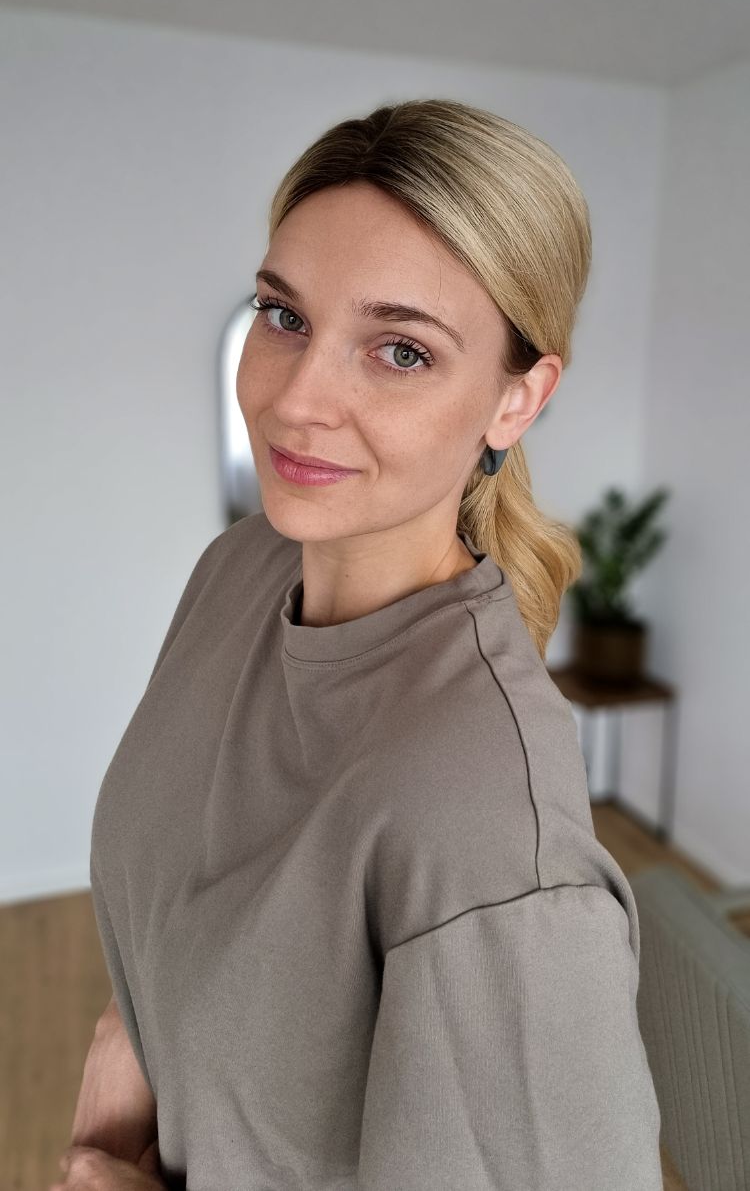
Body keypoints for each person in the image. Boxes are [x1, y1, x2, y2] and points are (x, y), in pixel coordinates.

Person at [54, 98, 663, 1191]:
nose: (297, 401)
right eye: (283, 317)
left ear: (518, 399)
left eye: (400, 351)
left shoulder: (491, 841)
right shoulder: (241, 568)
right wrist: (134, 1028)